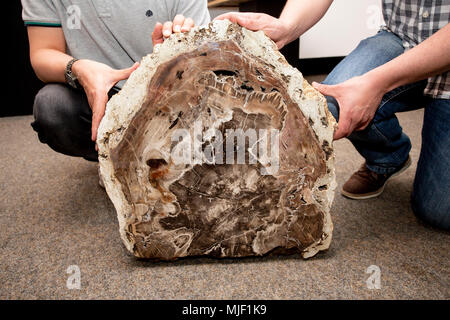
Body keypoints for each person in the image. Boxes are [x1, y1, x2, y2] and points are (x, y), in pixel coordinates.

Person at [216, 0, 450, 230]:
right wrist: (287, 25)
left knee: (438, 211)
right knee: (332, 103)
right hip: (402, 37)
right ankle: (388, 157)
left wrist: (376, 84)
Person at [22, 0, 210, 161]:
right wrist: (79, 68)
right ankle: (114, 160)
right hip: (103, 93)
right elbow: (42, 52)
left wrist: (177, 52)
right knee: (53, 107)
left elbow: (207, 60)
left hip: (169, 90)